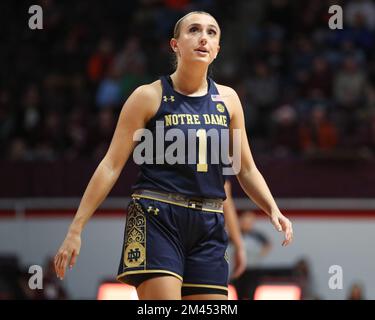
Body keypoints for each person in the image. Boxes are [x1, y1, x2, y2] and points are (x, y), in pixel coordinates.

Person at [54, 11, 293, 300]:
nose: (203, 37)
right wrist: (75, 228)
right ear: (175, 44)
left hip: (209, 224)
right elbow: (110, 165)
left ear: (217, 50)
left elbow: (245, 170)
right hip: (157, 217)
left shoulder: (229, 100)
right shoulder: (147, 96)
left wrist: (273, 209)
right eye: (193, 30)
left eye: (212, 32)